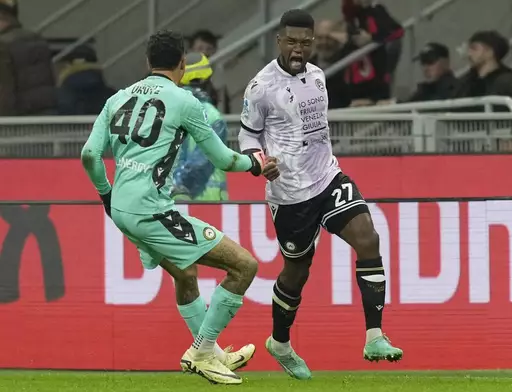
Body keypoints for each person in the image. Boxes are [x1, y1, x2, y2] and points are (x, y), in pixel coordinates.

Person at [80, 29, 268, 385]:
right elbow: (225, 160)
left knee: (186, 274)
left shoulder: (117, 98)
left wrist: (106, 194)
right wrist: (255, 164)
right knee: (244, 266)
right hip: (150, 211)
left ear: (147, 63)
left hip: (121, 208)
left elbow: (89, 154)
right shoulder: (184, 101)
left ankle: (212, 354)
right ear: (183, 64)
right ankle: (202, 350)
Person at [238, 9, 403, 380]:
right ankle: (280, 342)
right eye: (292, 41)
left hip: (328, 177)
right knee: (297, 271)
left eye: (306, 42)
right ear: (278, 40)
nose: (300, 48)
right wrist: (259, 160)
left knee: (368, 237)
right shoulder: (261, 87)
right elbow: (248, 134)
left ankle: (375, 336)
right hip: (290, 194)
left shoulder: (317, 75)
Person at [172, 52, 229, 201]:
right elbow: (202, 162)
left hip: (169, 201)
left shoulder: (167, 110)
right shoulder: (212, 115)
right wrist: (180, 188)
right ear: (207, 79)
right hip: (208, 202)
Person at [452, 30, 512, 112]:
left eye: (474, 48)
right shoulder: (466, 82)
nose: (469, 54)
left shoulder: (507, 82)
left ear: (490, 52)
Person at [0, 0, 57, 116]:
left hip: (19, 121)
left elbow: (4, 92)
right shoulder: (37, 39)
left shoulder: (3, 45)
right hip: (45, 114)